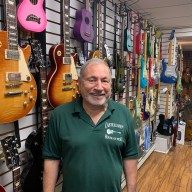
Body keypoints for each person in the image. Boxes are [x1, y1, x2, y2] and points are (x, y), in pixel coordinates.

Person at [42, 58, 139, 192]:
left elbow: (130, 157)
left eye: (104, 80)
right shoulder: (60, 115)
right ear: (80, 84)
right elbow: (51, 160)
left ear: (110, 85)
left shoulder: (124, 114)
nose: (99, 87)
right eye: (92, 80)